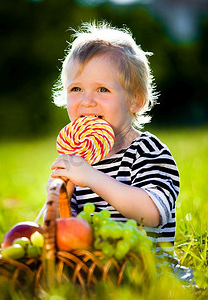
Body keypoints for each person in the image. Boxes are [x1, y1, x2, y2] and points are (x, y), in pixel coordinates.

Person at [50, 21, 180, 260]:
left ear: (135, 101)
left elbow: (152, 213)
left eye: (102, 90)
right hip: (94, 272)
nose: (87, 101)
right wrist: (60, 195)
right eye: (76, 89)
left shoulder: (147, 151)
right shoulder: (80, 158)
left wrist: (91, 177)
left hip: (148, 272)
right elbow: (60, 230)